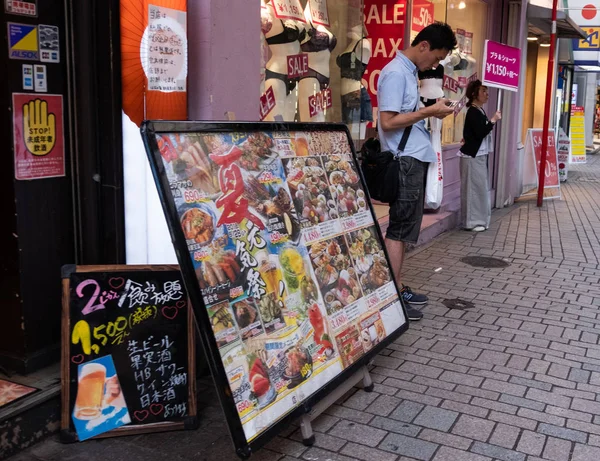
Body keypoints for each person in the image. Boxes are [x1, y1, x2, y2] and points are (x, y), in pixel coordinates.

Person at [377, 22, 457, 320]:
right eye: (436, 58)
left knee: (405, 230)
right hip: (404, 160)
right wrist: (429, 111)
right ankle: (392, 297)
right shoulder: (397, 72)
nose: (434, 64)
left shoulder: (409, 71)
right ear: (424, 46)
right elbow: (387, 121)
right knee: (399, 230)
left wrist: (431, 108)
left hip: (412, 158)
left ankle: (395, 288)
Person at [459, 80, 501, 232]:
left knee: (479, 188)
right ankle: (472, 222)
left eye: (487, 91)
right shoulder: (473, 111)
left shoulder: (479, 110)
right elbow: (480, 132)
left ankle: (479, 220)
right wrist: (493, 120)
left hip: (478, 154)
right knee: (473, 189)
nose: (487, 94)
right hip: (472, 156)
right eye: (483, 91)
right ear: (474, 94)